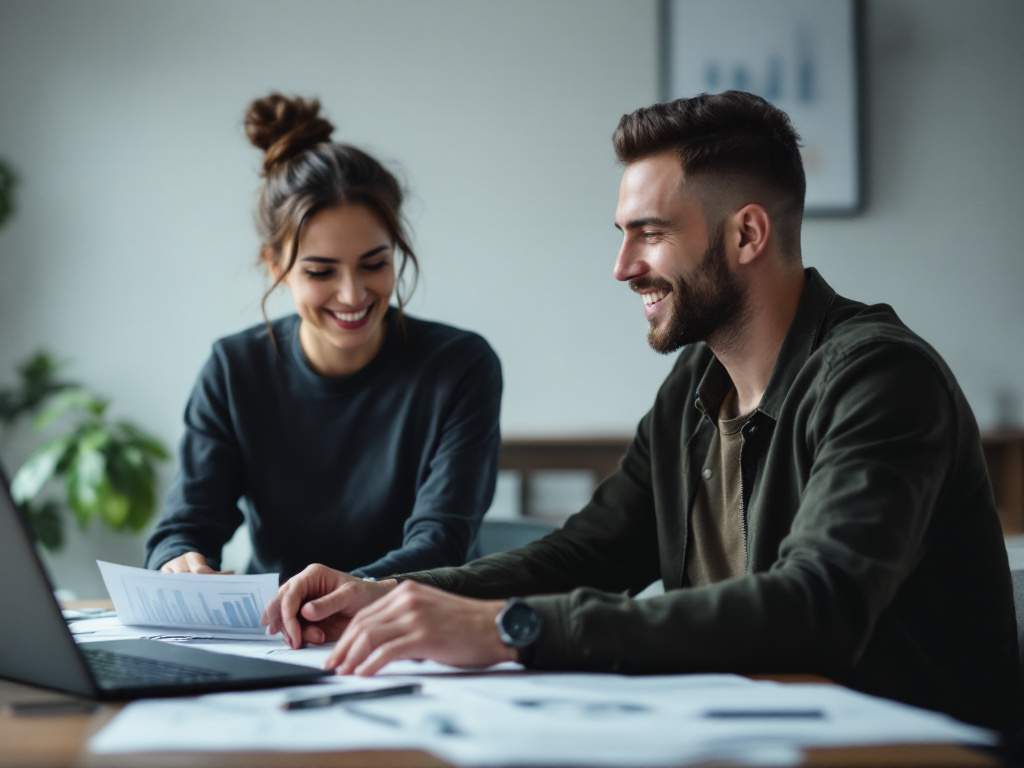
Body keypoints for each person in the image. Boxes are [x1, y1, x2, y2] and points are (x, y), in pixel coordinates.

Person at [261, 91, 1023, 731]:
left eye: (650, 235)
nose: (623, 268)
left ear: (747, 233)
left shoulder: (881, 377)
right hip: (746, 735)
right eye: (623, 236)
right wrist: (387, 594)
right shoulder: (697, 383)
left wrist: (508, 628)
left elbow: (818, 604)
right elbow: (585, 554)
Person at [144, 93, 503, 582]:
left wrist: (349, 592)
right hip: (273, 630)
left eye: (374, 264)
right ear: (276, 266)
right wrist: (180, 561)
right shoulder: (234, 368)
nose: (352, 294)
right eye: (320, 271)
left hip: (407, 626)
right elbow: (186, 525)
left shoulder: (459, 365)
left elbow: (440, 542)